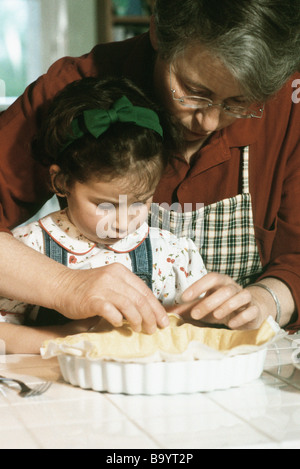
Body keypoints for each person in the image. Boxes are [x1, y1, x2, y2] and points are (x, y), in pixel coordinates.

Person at [0, 0, 299, 338]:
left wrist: (267, 298)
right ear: (157, 31)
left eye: (239, 103)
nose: (210, 122)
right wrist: (65, 285)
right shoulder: (76, 88)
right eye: (194, 92)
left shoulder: (289, 99)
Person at [0, 77, 207, 354]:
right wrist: (67, 339)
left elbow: (200, 329)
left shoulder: (170, 253)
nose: (123, 222)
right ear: (61, 182)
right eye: (105, 205)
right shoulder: (29, 250)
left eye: (140, 202)